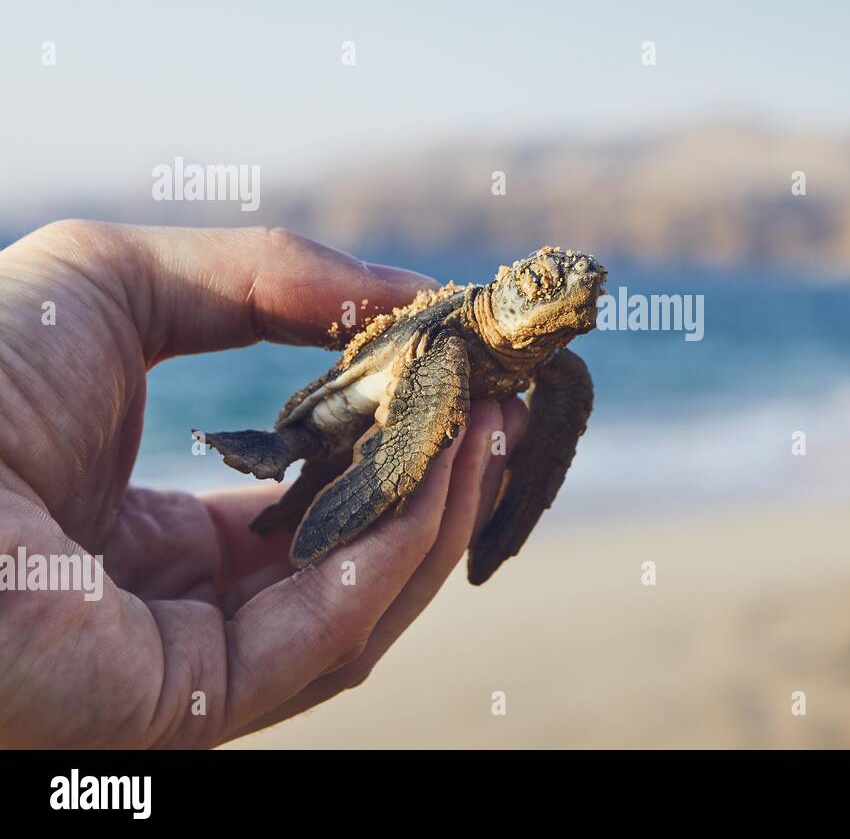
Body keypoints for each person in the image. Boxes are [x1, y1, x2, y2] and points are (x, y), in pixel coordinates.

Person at [0, 220, 526, 748]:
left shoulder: (554, 366)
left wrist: (510, 520)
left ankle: (299, 499)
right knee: (345, 452)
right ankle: (282, 455)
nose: (564, 302)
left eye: (586, 293)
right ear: (508, 292)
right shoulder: (455, 333)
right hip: (352, 397)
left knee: (433, 471)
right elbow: (409, 430)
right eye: (538, 287)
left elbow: (544, 437)